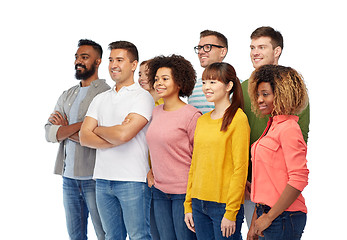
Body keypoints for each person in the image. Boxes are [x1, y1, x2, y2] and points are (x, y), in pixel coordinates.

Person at [79, 41, 154, 240]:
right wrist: (116, 135)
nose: (113, 65)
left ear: (133, 64)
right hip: (102, 179)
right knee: (112, 237)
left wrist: (98, 129)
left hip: (133, 180)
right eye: (111, 60)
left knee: (139, 236)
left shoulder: (143, 97)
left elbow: (124, 135)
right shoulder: (100, 98)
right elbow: (84, 137)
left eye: (120, 60)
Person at [241, 26, 310, 230]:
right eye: (252, 47)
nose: (255, 52)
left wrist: (269, 215)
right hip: (252, 187)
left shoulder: (292, 95)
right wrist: (245, 176)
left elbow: (298, 160)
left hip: (279, 194)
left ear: (277, 51)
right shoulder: (244, 87)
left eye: (261, 47)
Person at [44, 39, 109, 240]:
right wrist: (82, 126)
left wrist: (64, 129)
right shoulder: (68, 94)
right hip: (68, 178)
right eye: (77, 57)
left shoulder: (106, 93)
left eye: (85, 57)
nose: (78, 61)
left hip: (95, 178)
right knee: (75, 236)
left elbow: (99, 135)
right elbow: (49, 132)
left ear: (98, 62)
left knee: (105, 234)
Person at [184, 62, 250, 240]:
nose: (206, 87)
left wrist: (230, 212)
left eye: (213, 82)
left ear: (229, 86)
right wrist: (188, 205)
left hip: (223, 205)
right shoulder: (202, 120)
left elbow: (240, 169)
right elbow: (195, 165)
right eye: (204, 82)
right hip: (198, 203)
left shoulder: (238, 119)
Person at [145, 54, 201, 240]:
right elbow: (156, 148)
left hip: (183, 194)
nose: (158, 83)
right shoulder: (156, 112)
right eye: (156, 79)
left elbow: (199, 159)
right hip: (159, 191)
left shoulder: (192, 115)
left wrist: (192, 199)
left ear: (179, 82)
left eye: (165, 79)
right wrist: (150, 171)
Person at [138, 59, 161, 240]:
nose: (142, 78)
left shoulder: (162, 105)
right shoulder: (137, 103)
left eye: (147, 74)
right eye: (139, 74)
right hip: (140, 172)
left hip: (159, 174)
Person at [189, 30, 228, 114]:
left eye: (207, 47)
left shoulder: (237, 85)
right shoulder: (192, 87)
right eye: (199, 48)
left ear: (223, 52)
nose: (201, 52)